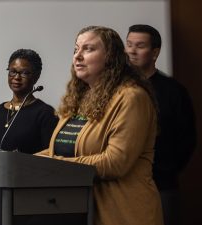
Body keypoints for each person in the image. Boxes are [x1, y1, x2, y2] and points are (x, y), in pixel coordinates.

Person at [36, 26, 163, 225]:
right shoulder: (79, 98)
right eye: (76, 49)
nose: (78, 56)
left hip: (124, 214)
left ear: (110, 56)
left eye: (88, 49)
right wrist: (23, 161)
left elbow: (114, 163)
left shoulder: (132, 97)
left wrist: (51, 165)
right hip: (82, 211)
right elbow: (61, 150)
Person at [125, 24, 197, 225]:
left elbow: (187, 139)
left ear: (155, 52)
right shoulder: (117, 87)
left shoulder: (173, 91)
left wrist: (166, 170)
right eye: (129, 44)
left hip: (161, 184)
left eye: (140, 46)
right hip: (123, 185)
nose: (131, 50)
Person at [0, 48, 58, 153]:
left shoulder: (45, 113)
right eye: (13, 72)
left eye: (24, 73)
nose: (17, 77)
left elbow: (51, 157)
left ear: (36, 76)